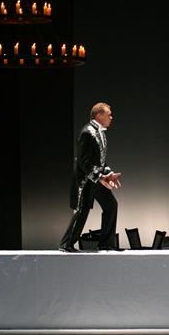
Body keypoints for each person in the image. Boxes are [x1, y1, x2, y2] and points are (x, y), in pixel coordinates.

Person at [59, 102, 122, 252]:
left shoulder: (101, 133)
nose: (111, 118)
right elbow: (83, 161)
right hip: (86, 181)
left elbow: (100, 161)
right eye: (109, 115)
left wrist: (108, 174)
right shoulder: (87, 132)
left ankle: (106, 244)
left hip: (96, 180)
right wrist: (100, 177)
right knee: (82, 211)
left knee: (111, 205)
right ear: (99, 115)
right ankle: (66, 244)